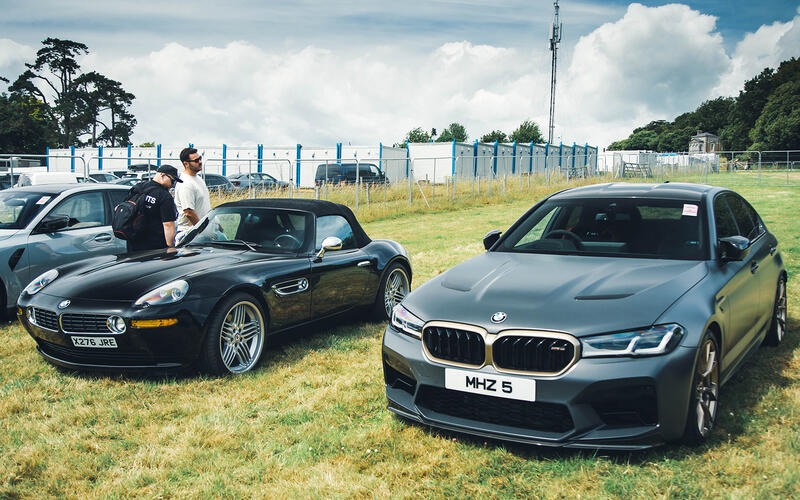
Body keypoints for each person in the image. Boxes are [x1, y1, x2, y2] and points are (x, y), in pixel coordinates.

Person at [126, 164, 181, 253]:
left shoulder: (138, 187)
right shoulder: (164, 196)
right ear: (163, 175)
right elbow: (168, 225)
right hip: (155, 247)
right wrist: (171, 247)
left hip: (133, 243)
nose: (173, 185)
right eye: (173, 181)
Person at [175, 147, 212, 237]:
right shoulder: (185, 183)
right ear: (186, 164)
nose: (200, 162)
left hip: (202, 230)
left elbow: (205, 206)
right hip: (190, 233)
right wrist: (202, 231)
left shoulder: (198, 178)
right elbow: (189, 212)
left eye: (200, 158)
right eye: (196, 160)